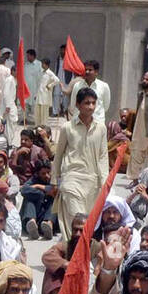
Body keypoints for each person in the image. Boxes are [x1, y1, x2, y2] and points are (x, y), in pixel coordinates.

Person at [51, 87, 108, 240]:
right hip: (72, 179)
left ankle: (77, 258)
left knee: (87, 223)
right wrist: (54, 180)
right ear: (77, 105)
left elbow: (103, 156)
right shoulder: (67, 127)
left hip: (93, 182)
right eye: (86, 103)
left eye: (93, 103)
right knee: (76, 220)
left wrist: (105, 183)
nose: (90, 107)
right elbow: (59, 155)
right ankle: (73, 258)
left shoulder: (101, 128)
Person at [40, 212, 97, 294]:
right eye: (75, 230)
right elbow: (47, 256)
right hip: (69, 292)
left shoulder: (97, 248)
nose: (77, 234)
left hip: (89, 293)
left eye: (81, 230)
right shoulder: (67, 246)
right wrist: (66, 264)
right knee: (53, 270)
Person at [19, 158, 57, 240]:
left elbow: (55, 190)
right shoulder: (34, 179)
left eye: (48, 172)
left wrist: (38, 186)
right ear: (38, 174)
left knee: (54, 201)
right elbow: (24, 189)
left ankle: (49, 225)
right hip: (36, 214)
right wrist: (42, 193)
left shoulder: (54, 179)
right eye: (43, 173)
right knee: (29, 199)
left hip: (47, 217)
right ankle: (32, 223)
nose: (47, 176)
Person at [65, 59, 110, 126]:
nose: (87, 72)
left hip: (97, 123)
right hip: (79, 123)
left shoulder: (104, 86)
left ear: (96, 72)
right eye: (85, 69)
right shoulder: (77, 86)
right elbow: (73, 104)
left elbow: (106, 106)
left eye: (90, 70)